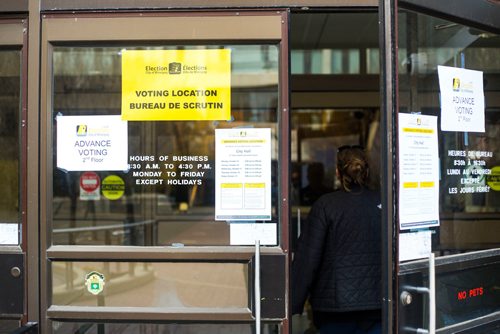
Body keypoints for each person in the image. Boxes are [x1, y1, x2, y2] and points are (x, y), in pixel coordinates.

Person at [292, 145, 382, 334]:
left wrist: (293, 302)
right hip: (378, 305)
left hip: (335, 308)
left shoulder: (326, 205)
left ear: (337, 172)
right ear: (365, 171)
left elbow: (308, 258)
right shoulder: (384, 203)